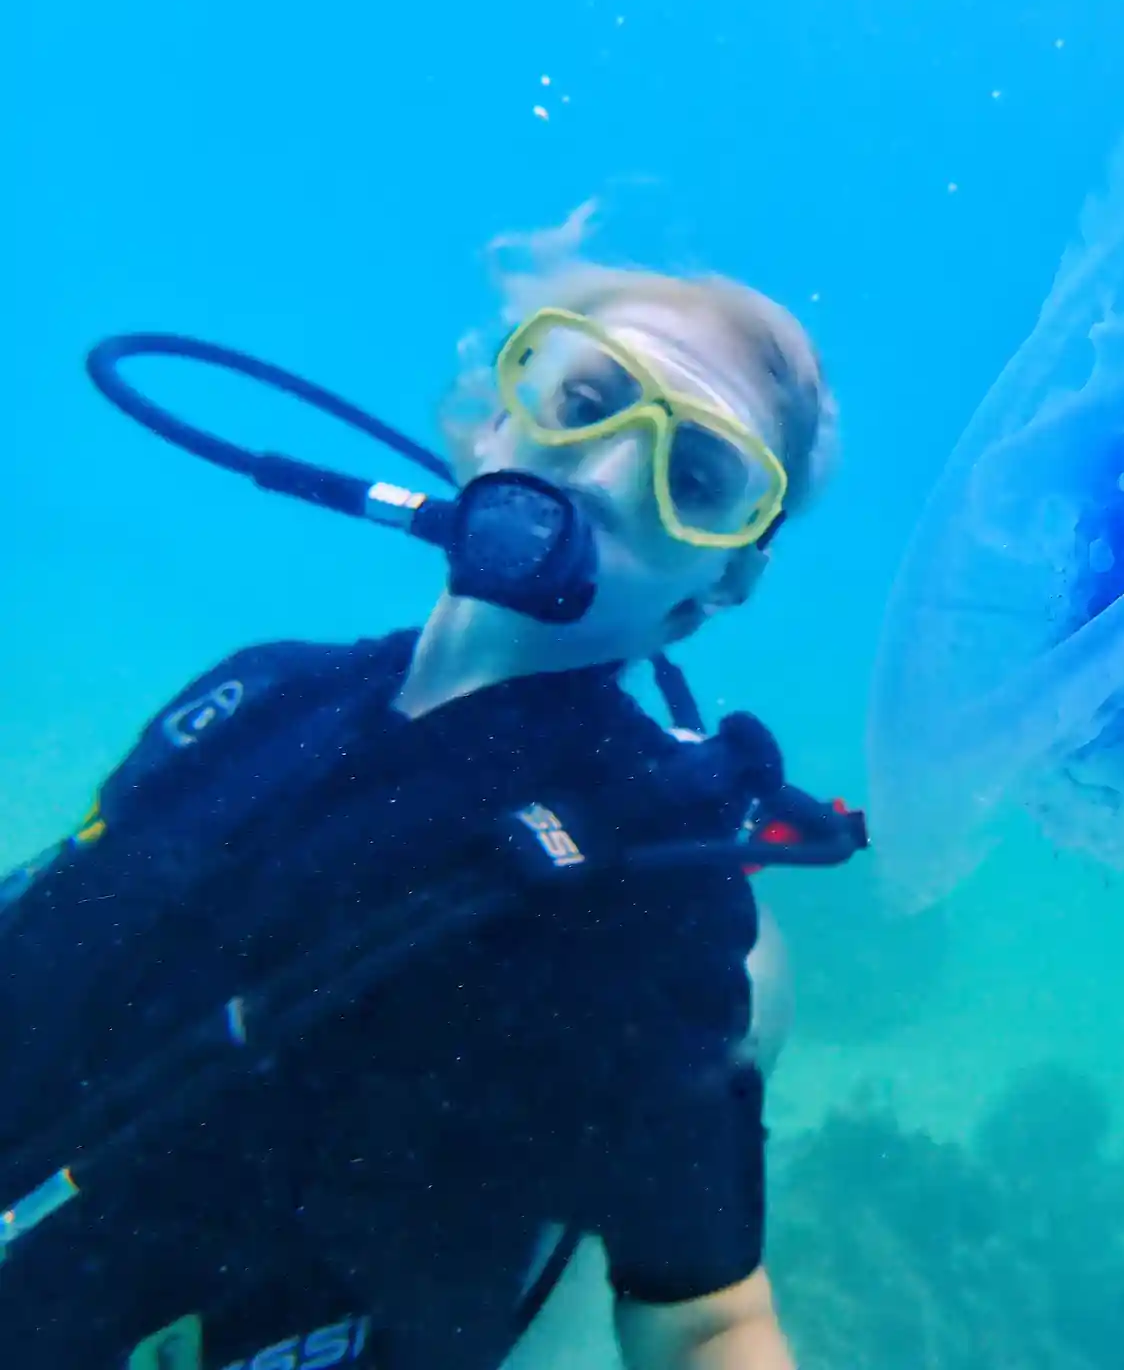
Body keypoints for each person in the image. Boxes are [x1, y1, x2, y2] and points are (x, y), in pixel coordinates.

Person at [0, 260, 862, 1370]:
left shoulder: (653, 893)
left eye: (694, 477)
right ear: (501, 416)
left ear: (723, 581)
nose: (603, 475)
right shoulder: (259, 690)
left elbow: (703, 1318)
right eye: (587, 402)